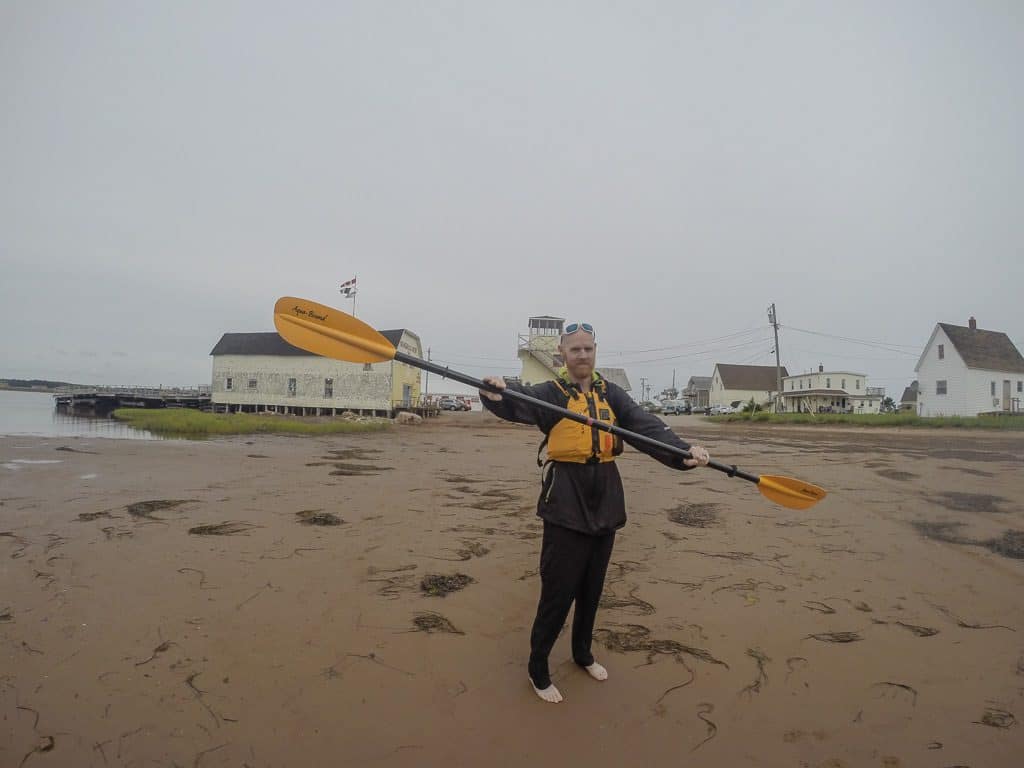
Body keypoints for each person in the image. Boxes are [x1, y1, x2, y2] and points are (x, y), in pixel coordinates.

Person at [480, 321, 710, 703]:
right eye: (575, 350)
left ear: (595, 351)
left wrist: (685, 452)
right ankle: (538, 667)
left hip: (605, 496)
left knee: (592, 588)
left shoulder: (612, 394)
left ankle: (582, 653)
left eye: (587, 349)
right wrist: (495, 394)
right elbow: (519, 399)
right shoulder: (551, 393)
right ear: (563, 355)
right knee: (558, 590)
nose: (582, 355)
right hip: (565, 502)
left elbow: (647, 427)